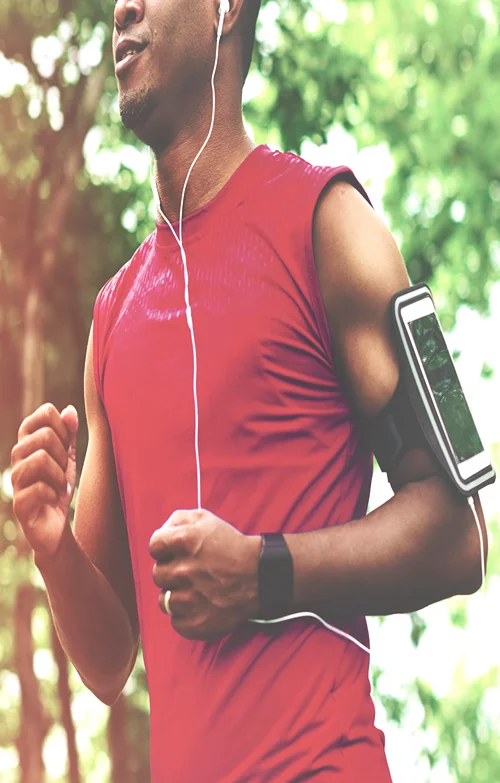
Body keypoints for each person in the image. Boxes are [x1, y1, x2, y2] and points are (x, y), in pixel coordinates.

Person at [11, 1, 487, 780]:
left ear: (226, 10)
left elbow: (461, 533)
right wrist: (54, 545)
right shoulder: (112, 316)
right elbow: (106, 661)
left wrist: (263, 570)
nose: (122, 7)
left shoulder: (335, 223)